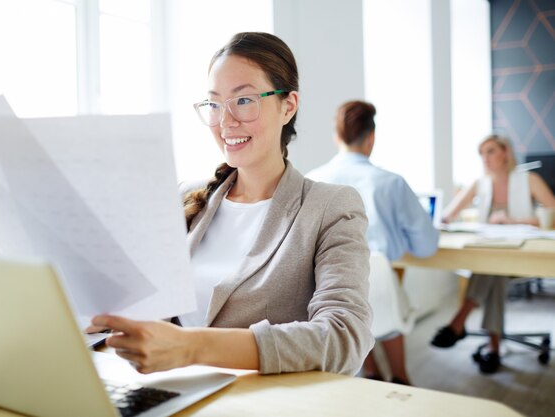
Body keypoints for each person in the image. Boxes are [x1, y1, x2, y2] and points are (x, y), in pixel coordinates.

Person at [90, 32, 374, 375]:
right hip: (167, 391)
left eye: (243, 101)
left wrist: (191, 347)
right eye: (214, 104)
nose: (225, 121)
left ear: (288, 105)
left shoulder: (329, 207)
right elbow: (147, 304)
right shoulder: (187, 194)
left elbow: (344, 337)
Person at [306, 100, 439, 385]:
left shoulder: (311, 180)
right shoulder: (390, 182)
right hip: (380, 295)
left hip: (330, 301)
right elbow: (426, 247)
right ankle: (400, 378)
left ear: (337, 137)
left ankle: (371, 373)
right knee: (381, 296)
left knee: (357, 297)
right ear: (371, 137)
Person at [430, 134, 555, 373]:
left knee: (492, 267)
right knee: (493, 269)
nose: (484, 158)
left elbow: (553, 214)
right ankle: (493, 347)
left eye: (490, 151)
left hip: (523, 259)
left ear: (505, 153)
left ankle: (461, 321)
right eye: (481, 153)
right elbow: (448, 215)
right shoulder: (480, 183)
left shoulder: (529, 180)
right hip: (493, 259)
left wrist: (512, 220)